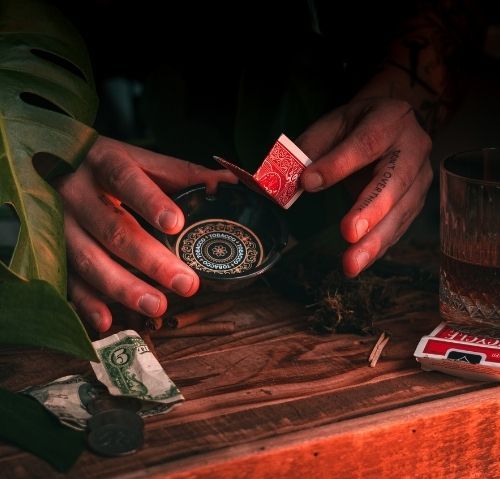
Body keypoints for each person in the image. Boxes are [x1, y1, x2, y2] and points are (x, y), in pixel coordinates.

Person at [53, 1, 484, 332]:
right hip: (103, 141)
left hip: (325, 226)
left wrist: (402, 98)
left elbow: (454, 15)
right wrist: (48, 152)